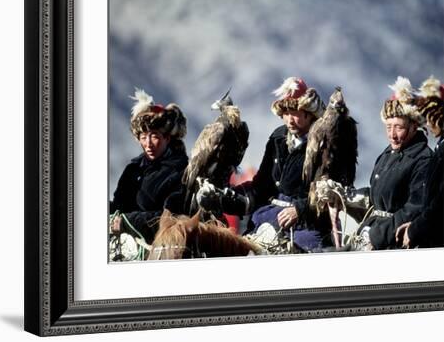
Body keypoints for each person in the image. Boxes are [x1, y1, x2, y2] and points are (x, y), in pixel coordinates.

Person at [199, 77, 331, 252]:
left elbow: (331, 191)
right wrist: (223, 198)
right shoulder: (278, 138)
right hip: (269, 216)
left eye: (295, 112)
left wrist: (299, 209)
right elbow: (262, 187)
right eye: (285, 112)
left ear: (308, 113)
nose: (290, 119)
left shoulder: (325, 144)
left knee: (310, 258)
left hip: (308, 224)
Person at [354, 76, 433, 250]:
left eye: (399, 127)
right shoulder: (388, 153)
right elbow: (381, 195)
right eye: (388, 127)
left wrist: (377, 237)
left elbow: (414, 208)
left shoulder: (423, 160)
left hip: (394, 242)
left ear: (414, 126)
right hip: (372, 230)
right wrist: (349, 197)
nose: (392, 134)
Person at [110, 89, 188, 245]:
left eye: (154, 136)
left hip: (158, 247)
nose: (148, 144)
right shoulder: (133, 169)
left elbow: (173, 218)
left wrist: (127, 223)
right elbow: (119, 206)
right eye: (143, 137)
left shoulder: (180, 171)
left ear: (167, 138)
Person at [395, 76, 444, 248]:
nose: (428, 123)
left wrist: (415, 229)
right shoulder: (441, 147)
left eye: (431, 116)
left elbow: (441, 203)